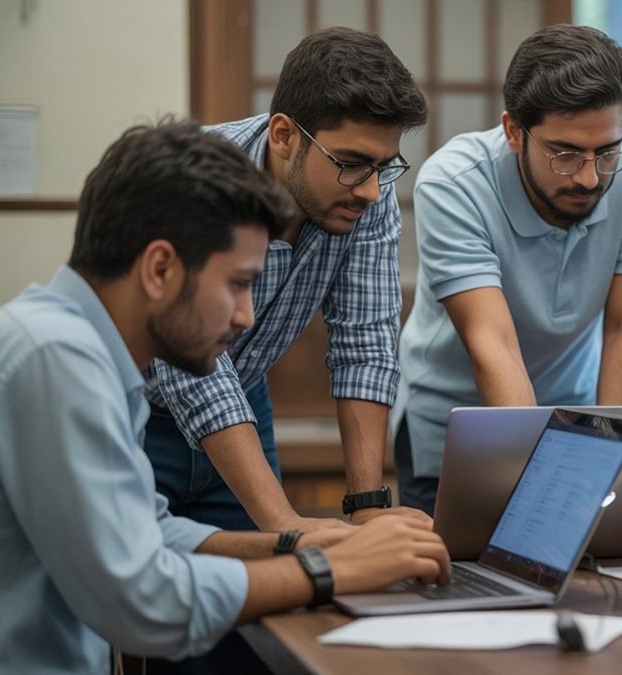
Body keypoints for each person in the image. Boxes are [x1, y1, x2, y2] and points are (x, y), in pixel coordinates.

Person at [0, 122, 450, 673]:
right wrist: (334, 572)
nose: (247, 317)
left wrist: (301, 542)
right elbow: (145, 601)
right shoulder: (54, 358)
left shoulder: (84, 353)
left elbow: (151, 530)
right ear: (160, 268)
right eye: (237, 284)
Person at [144, 27, 427, 532]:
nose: (370, 190)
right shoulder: (200, 178)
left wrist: (367, 512)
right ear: (283, 135)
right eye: (352, 164)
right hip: (140, 418)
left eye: (385, 167)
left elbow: (365, 344)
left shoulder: (366, 192)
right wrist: (284, 526)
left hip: (245, 401)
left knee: (268, 595)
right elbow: (194, 364)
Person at [396, 24, 622, 514]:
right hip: (454, 427)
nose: (589, 177)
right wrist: (546, 477)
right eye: (564, 154)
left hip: (572, 413)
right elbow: (492, 343)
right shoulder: (454, 185)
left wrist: (603, 455)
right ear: (512, 131)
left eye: (606, 152)